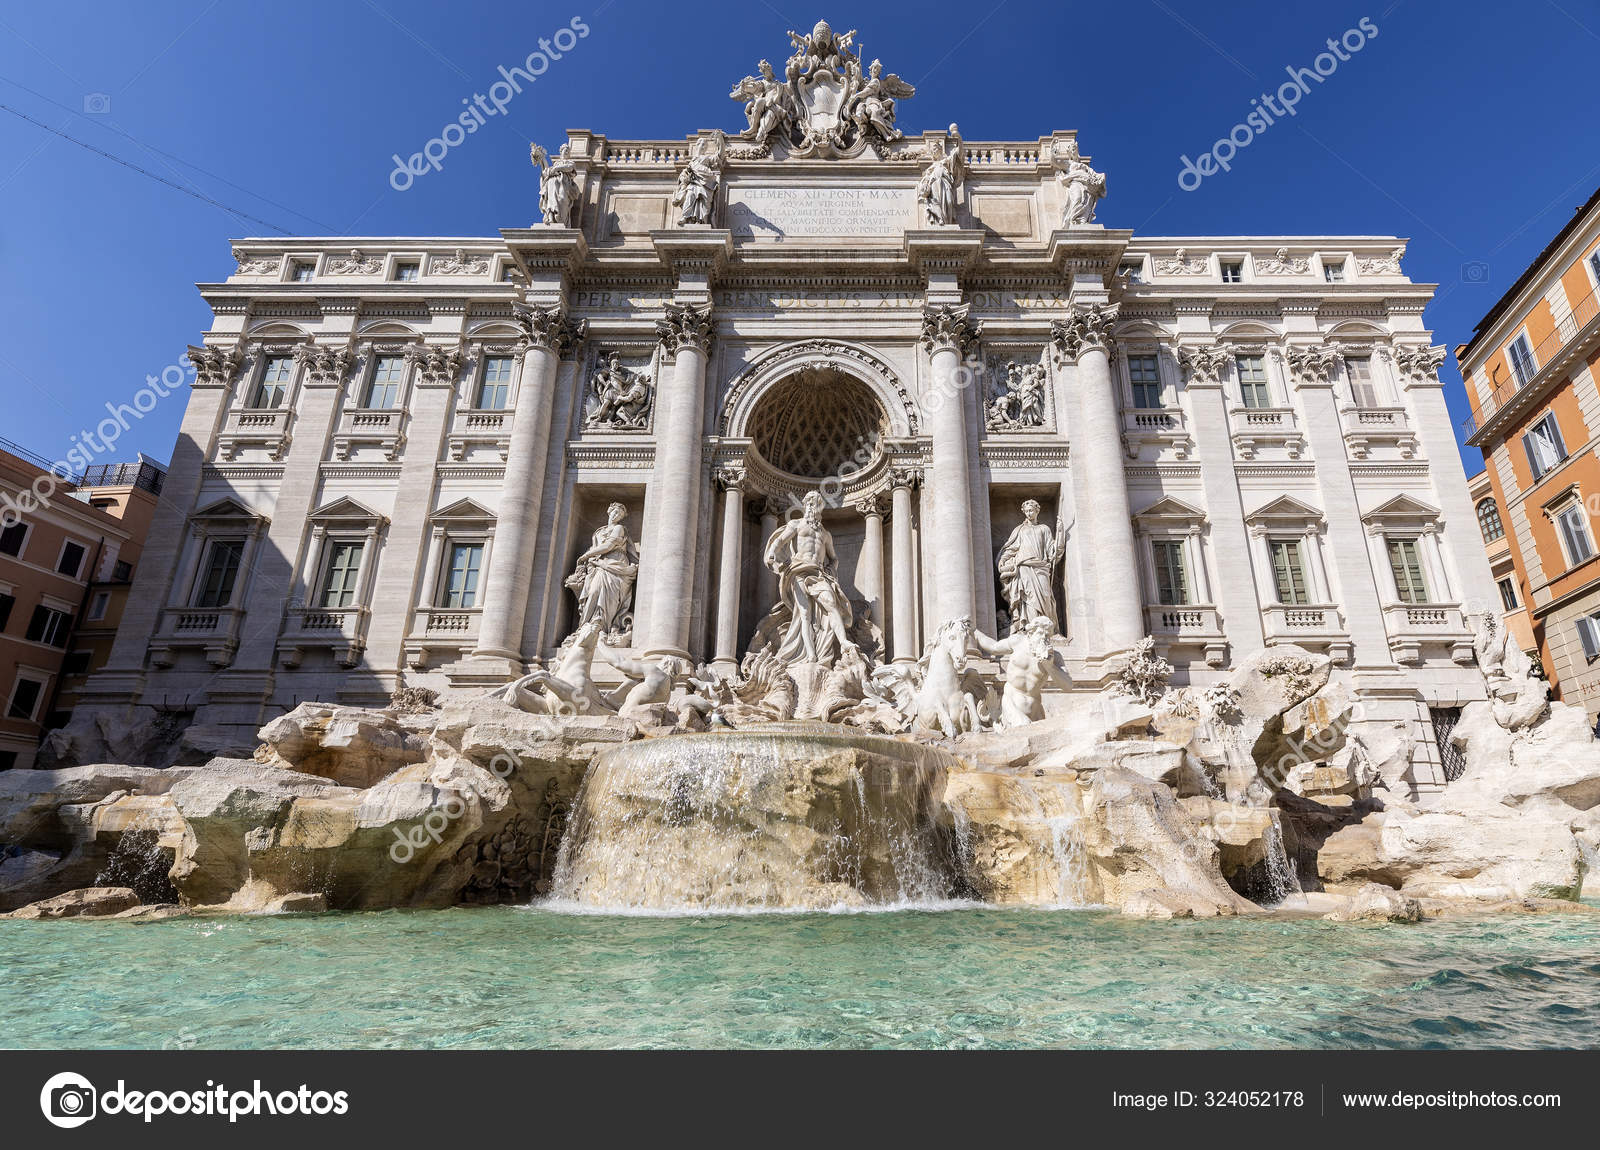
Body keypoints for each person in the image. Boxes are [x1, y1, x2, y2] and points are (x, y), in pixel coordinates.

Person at [762, 491, 855, 665]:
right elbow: (780, 540)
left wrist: (831, 571)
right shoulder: (796, 524)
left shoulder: (825, 534)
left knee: (831, 604)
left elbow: (834, 558)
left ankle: (843, 642)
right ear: (804, 506)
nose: (811, 507)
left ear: (820, 507)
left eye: (815, 503)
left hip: (818, 574)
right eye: (809, 503)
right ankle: (810, 654)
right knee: (804, 615)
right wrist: (771, 553)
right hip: (798, 571)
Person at [566, 503, 637, 640]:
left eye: (620, 514)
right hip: (599, 564)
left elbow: (609, 545)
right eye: (615, 512)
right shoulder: (598, 532)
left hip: (615, 564)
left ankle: (602, 627)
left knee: (606, 595)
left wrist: (587, 555)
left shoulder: (619, 528)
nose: (617, 515)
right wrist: (589, 558)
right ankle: (586, 627)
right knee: (593, 592)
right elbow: (596, 547)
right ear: (609, 512)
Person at [997, 499, 1061, 635]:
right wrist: (1003, 559)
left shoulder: (1044, 529)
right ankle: (1029, 628)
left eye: (1031, 510)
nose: (1029, 513)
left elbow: (1051, 550)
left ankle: (1045, 630)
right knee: (1027, 598)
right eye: (1026, 511)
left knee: (1045, 596)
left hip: (1041, 567)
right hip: (1023, 567)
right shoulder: (1020, 530)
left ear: (1037, 511)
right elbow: (1012, 548)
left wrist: (1060, 536)